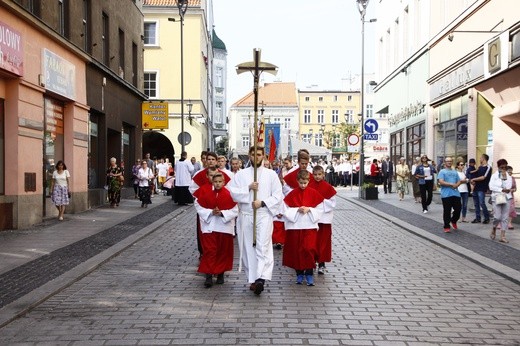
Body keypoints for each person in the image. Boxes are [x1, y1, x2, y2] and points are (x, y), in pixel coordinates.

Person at [227, 145, 283, 295]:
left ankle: (261, 278)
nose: (256, 157)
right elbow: (232, 192)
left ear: (263, 156)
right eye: (253, 155)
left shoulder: (271, 175)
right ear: (249, 156)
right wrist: (248, 188)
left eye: (259, 155)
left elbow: (278, 195)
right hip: (246, 215)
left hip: (263, 214)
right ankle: (252, 278)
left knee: (262, 246)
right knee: (247, 247)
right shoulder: (241, 174)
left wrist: (263, 202)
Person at [193, 171, 238, 288]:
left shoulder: (230, 194)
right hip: (210, 226)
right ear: (212, 182)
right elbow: (198, 205)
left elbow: (236, 209)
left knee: (222, 251)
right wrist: (210, 212)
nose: (218, 184)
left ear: (224, 182)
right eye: (215, 182)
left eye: (220, 182)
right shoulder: (206, 193)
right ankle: (208, 275)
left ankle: (220, 273)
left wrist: (223, 213)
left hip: (224, 227)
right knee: (209, 250)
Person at [282, 170, 324, 286]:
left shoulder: (313, 193)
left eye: (305, 183)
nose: (303, 185)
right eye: (301, 183)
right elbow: (285, 209)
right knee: (296, 250)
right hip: (295, 227)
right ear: (297, 181)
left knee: (309, 249)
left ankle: (309, 273)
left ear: (309, 181)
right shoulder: (292, 193)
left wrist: (309, 209)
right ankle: (299, 273)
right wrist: (297, 210)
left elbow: (320, 209)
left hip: (309, 226)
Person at [308, 165, 336, 275]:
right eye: (315, 175)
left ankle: (322, 263)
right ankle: (312, 262)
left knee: (323, 242)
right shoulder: (309, 186)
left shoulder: (328, 187)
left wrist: (321, 202)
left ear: (323, 175)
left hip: (324, 220)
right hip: (313, 219)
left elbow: (332, 203)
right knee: (313, 242)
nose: (317, 177)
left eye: (319, 174)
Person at [489, 159, 513, 243]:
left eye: (505, 167)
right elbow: (491, 187)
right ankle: (494, 227)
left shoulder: (508, 176)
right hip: (497, 197)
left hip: (507, 197)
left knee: (505, 217)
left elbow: (509, 186)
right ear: (498, 166)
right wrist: (501, 189)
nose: (503, 168)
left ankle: (502, 236)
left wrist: (504, 178)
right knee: (497, 217)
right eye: (501, 167)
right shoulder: (494, 176)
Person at [437, 157, 461, 233]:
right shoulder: (442, 171)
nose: (449, 162)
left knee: (458, 209)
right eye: (448, 161)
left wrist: (456, 185)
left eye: (450, 161)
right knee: (447, 210)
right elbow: (441, 181)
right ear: (445, 162)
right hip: (446, 194)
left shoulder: (455, 172)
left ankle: (453, 220)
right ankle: (446, 226)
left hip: (456, 193)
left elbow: (459, 181)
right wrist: (451, 184)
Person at [470, 154, 492, 224]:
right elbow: (476, 176)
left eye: (480, 158)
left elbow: (483, 177)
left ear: (484, 158)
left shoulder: (488, 167)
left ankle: (486, 218)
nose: (479, 159)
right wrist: (473, 181)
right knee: (476, 204)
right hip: (476, 187)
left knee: (482, 203)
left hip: (482, 188)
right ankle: (478, 218)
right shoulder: (479, 167)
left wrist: (474, 179)